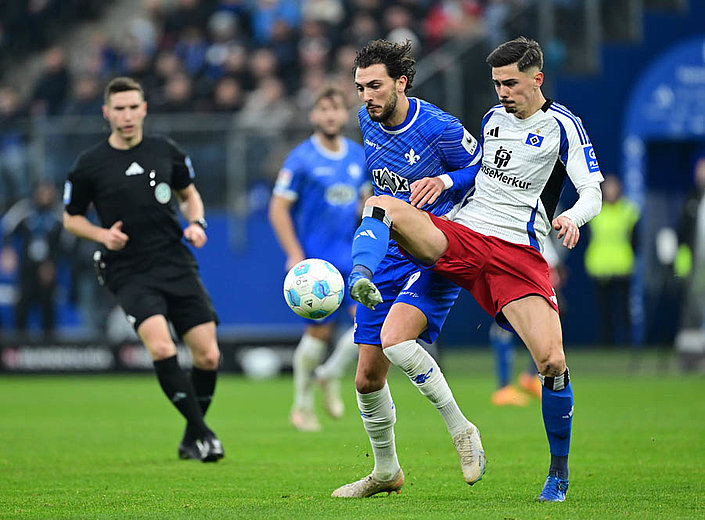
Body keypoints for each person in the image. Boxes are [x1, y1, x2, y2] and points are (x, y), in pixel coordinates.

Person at [348, 37, 603, 502]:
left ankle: (558, 475)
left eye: (510, 83)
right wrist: (445, 186)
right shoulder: (491, 121)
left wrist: (572, 217)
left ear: (536, 78)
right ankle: (359, 276)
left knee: (552, 362)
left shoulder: (563, 125)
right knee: (381, 211)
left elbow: (591, 190)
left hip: (517, 252)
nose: (501, 92)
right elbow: (479, 180)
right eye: (496, 83)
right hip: (463, 236)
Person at [331, 39, 485, 499]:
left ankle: (462, 431)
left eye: (374, 86)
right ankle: (386, 472)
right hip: (391, 254)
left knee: (397, 340)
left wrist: (443, 180)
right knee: (367, 377)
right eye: (359, 87)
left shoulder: (439, 127)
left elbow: (484, 170)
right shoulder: (367, 119)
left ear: (400, 82)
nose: (365, 96)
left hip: (440, 247)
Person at [62, 77, 224, 462]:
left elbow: (189, 196)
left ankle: (191, 437)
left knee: (208, 357)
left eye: (134, 107)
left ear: (144, 108)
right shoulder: (89, 164)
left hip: (174, 259)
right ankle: (204, 435)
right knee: (163, 346)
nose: (127, 115)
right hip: (128, 268)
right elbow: (70, 219)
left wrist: (197, 224)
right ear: (106, 113)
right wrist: (102, 235)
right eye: (119, 108)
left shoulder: (166, 151)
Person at [268, 85, 369, 432]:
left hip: (349, 258)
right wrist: (294, 253)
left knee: (367, 324)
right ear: (313, 115)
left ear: (345, 114)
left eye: (336, 109)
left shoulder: (358, 156)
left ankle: (329, 374)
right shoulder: (301, 158)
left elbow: (364, 205)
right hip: (315, 265)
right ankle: (302, 405)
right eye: (323, 110)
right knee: (317, 336)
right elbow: (278, 207)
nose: (330, 116)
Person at [1, 181, 64, 339]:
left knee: (47, 305)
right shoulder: (25, 208)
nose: (46, 196)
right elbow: (7, 227)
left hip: (48, 268)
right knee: (23, 304)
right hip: (27, 267)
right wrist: (8, 250)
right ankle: (18, 345)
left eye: (49, 192)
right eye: (42, 192)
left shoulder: (58, 213)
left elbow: (67, 241)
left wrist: (52, 264)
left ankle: (49, 344)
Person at [584, 175, 639, 346]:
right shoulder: (595, 211)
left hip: (622, 267)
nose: (611, 191)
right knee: (604, 310)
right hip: (600, 267)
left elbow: (636, 240)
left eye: (614, 187)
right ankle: (605, 343)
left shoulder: (629, 210)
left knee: (623, 310)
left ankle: (626, 343)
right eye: (608, 188)